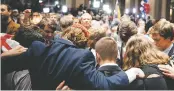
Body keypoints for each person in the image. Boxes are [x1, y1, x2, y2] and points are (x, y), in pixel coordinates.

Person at [2, 30, 145, 90]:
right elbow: (103, 85)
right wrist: (131, 72)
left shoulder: (37, 51)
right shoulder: (82, 57)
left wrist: (3, 57)